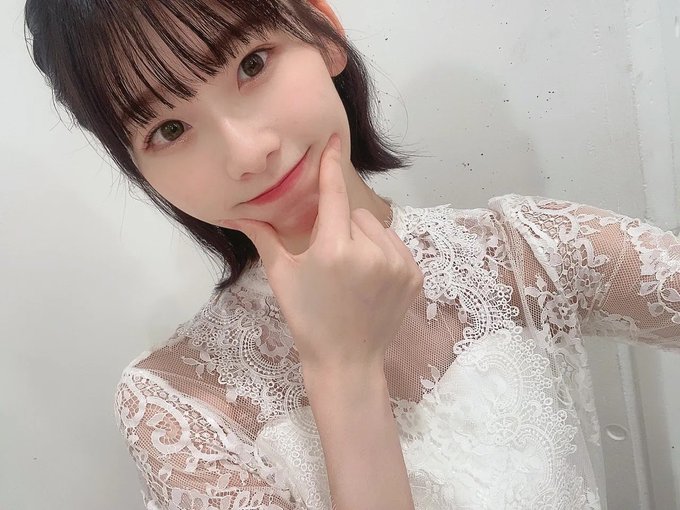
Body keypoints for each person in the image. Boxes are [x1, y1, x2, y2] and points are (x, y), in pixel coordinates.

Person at [23, 1, 680, 509]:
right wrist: (343, 369)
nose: (247, 153)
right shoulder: (177, 407)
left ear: (324, 33)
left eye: (251, 63)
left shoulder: (521, 254)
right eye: (169, 129)